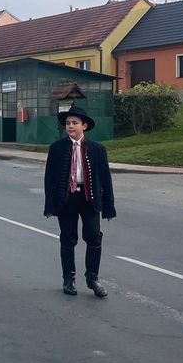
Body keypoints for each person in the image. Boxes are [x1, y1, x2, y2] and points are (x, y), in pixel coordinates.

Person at [43, 106, 116, 298]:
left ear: (84, 126)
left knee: (94, 236)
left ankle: (93, 278)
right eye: (68, 123)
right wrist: (49, 205)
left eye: (74, 123)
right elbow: (49, 178)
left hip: (89, 198)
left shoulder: (97, 149)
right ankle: (69, 279)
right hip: (67, 198)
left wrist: (109, 207)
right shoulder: (57, 148)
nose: (70, 126)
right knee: (68, 238)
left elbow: (105, 179)